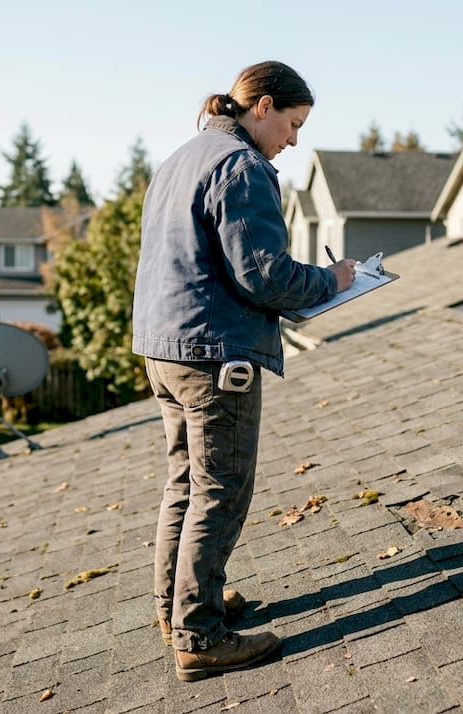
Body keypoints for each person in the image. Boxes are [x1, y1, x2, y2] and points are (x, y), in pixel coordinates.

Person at [132, 60, 355, 682]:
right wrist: (332, 280)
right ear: (262, 107)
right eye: (293, 123)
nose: (294, 139)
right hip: (213, 353)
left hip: (164, 347)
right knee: (220, 490)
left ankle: (176, 608)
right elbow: (264, 274)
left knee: (186, 482)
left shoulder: (182, 157)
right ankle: (199, 636)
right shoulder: (242, 167)